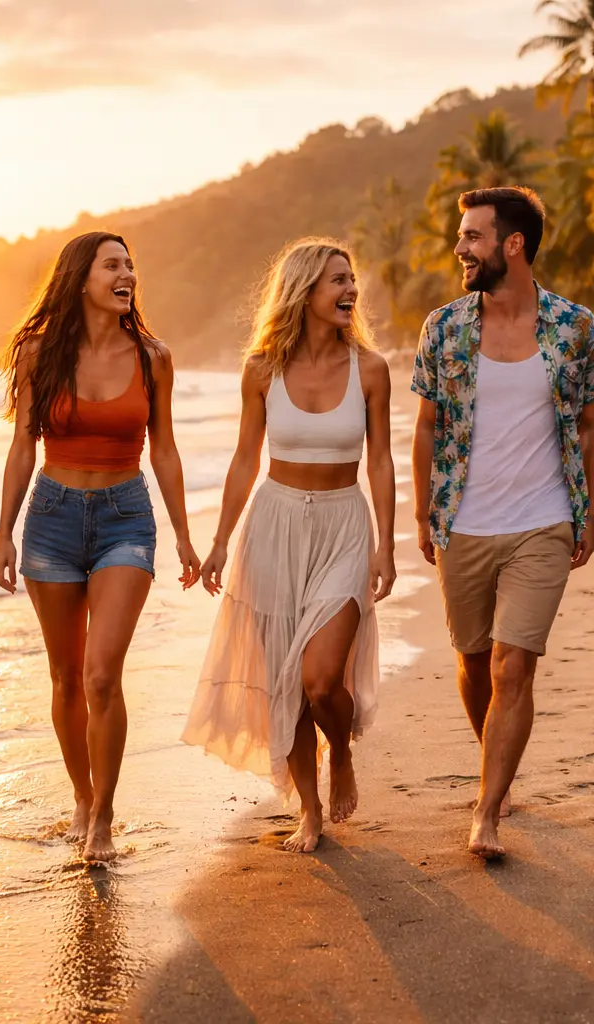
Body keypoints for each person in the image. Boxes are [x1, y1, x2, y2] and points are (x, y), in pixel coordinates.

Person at [413, 186, 594, 860]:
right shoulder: (444, 326)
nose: (461, 248)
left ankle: (488, 812)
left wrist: (593, 510)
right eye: (462, 236)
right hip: (463, 518)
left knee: (510, 667)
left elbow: (592, 422)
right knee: (473, 662)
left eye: (472, 236)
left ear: (512, 244)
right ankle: (494, 763)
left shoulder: (574, 327)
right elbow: (426, 424)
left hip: (544, 521)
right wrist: (421, 511)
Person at [0, 232, 200, 865]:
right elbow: (24, 443)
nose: (127, 273)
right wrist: (2, 529)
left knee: (101, 674)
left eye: (131, 264)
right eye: (113, 264)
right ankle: (81, 797)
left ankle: (104, 817)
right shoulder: (39, 352)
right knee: (65, 677)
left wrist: (186, 535)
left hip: (124, 519)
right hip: (51, 519)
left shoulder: (153, 357)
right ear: (81, 278)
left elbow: (162, 447)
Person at [183, 238, 395, 854]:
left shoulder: (371, 369)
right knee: (286, 681)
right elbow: (246, 457)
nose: (350, 290)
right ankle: (310, 810)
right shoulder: (261, 369)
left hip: (342, 528)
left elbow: (379, 459)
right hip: (273, 527)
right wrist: (220, 541)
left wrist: (383, 544)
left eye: (351, 279)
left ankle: (343, 756)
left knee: (322, 679)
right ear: (304, 290)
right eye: (337, 280)